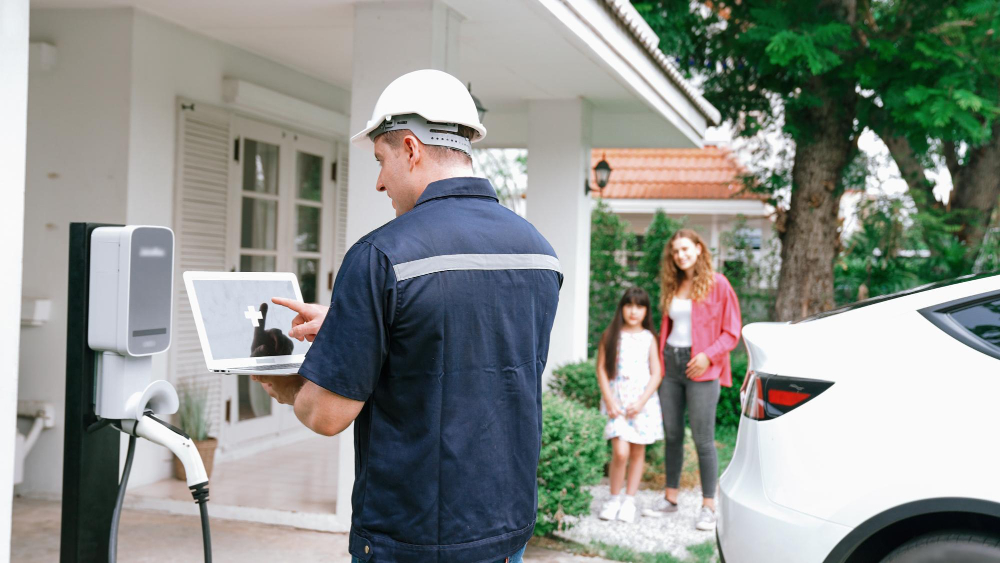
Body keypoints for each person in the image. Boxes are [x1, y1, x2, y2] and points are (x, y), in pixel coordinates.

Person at [251, 69, 563, 563]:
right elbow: (475, 344)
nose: (378, 182)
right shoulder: (538, 253)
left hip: (413, 538)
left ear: (412, 148)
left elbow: (328, 414)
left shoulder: (382, 255)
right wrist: (352, 322)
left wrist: (291, 386)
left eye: (381, 160)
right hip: (506, 531)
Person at [642, 229, 741, 531]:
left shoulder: (718, 284)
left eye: (685, 249)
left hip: (702, 367)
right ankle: (670, 499)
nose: (680, 255)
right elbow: (669, 325)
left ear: (699, 249)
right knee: (672, 434)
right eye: (675, 251)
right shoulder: (674, 283)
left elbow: (732, 330)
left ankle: (708, 505)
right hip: (670, 364)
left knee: (703, 439)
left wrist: (708, 356)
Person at [595, 287, 663, 523]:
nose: (634, 311)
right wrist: (609, 400)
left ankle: (629, 501)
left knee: (637, 452)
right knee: (620, 452)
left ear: (646, 311)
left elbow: (656, 373)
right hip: (617, 404)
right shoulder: (611, 334)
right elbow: (601, 369)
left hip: (642, 405)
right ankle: (614, 497)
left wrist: (642, 401)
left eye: (640, 306)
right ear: (622, 307)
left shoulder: (648, 338)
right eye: (629, 305)